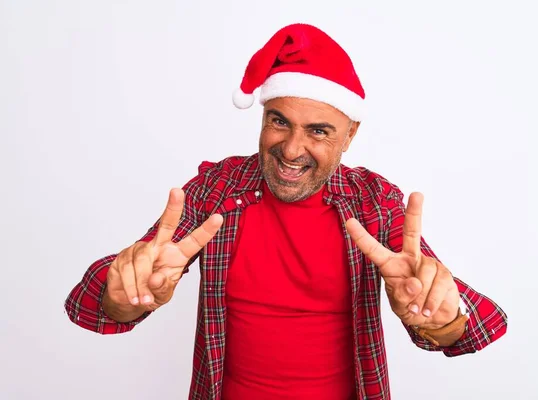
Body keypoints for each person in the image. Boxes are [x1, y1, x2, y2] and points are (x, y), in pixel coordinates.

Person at [64, 23, 507, 400]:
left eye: (318, 131)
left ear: (350, 135)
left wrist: (441, 318)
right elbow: (91, 306)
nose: (292, 150)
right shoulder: (217, 189)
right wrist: (122, 296)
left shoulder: (374, 201)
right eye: (279, 121)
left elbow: (479, 325)